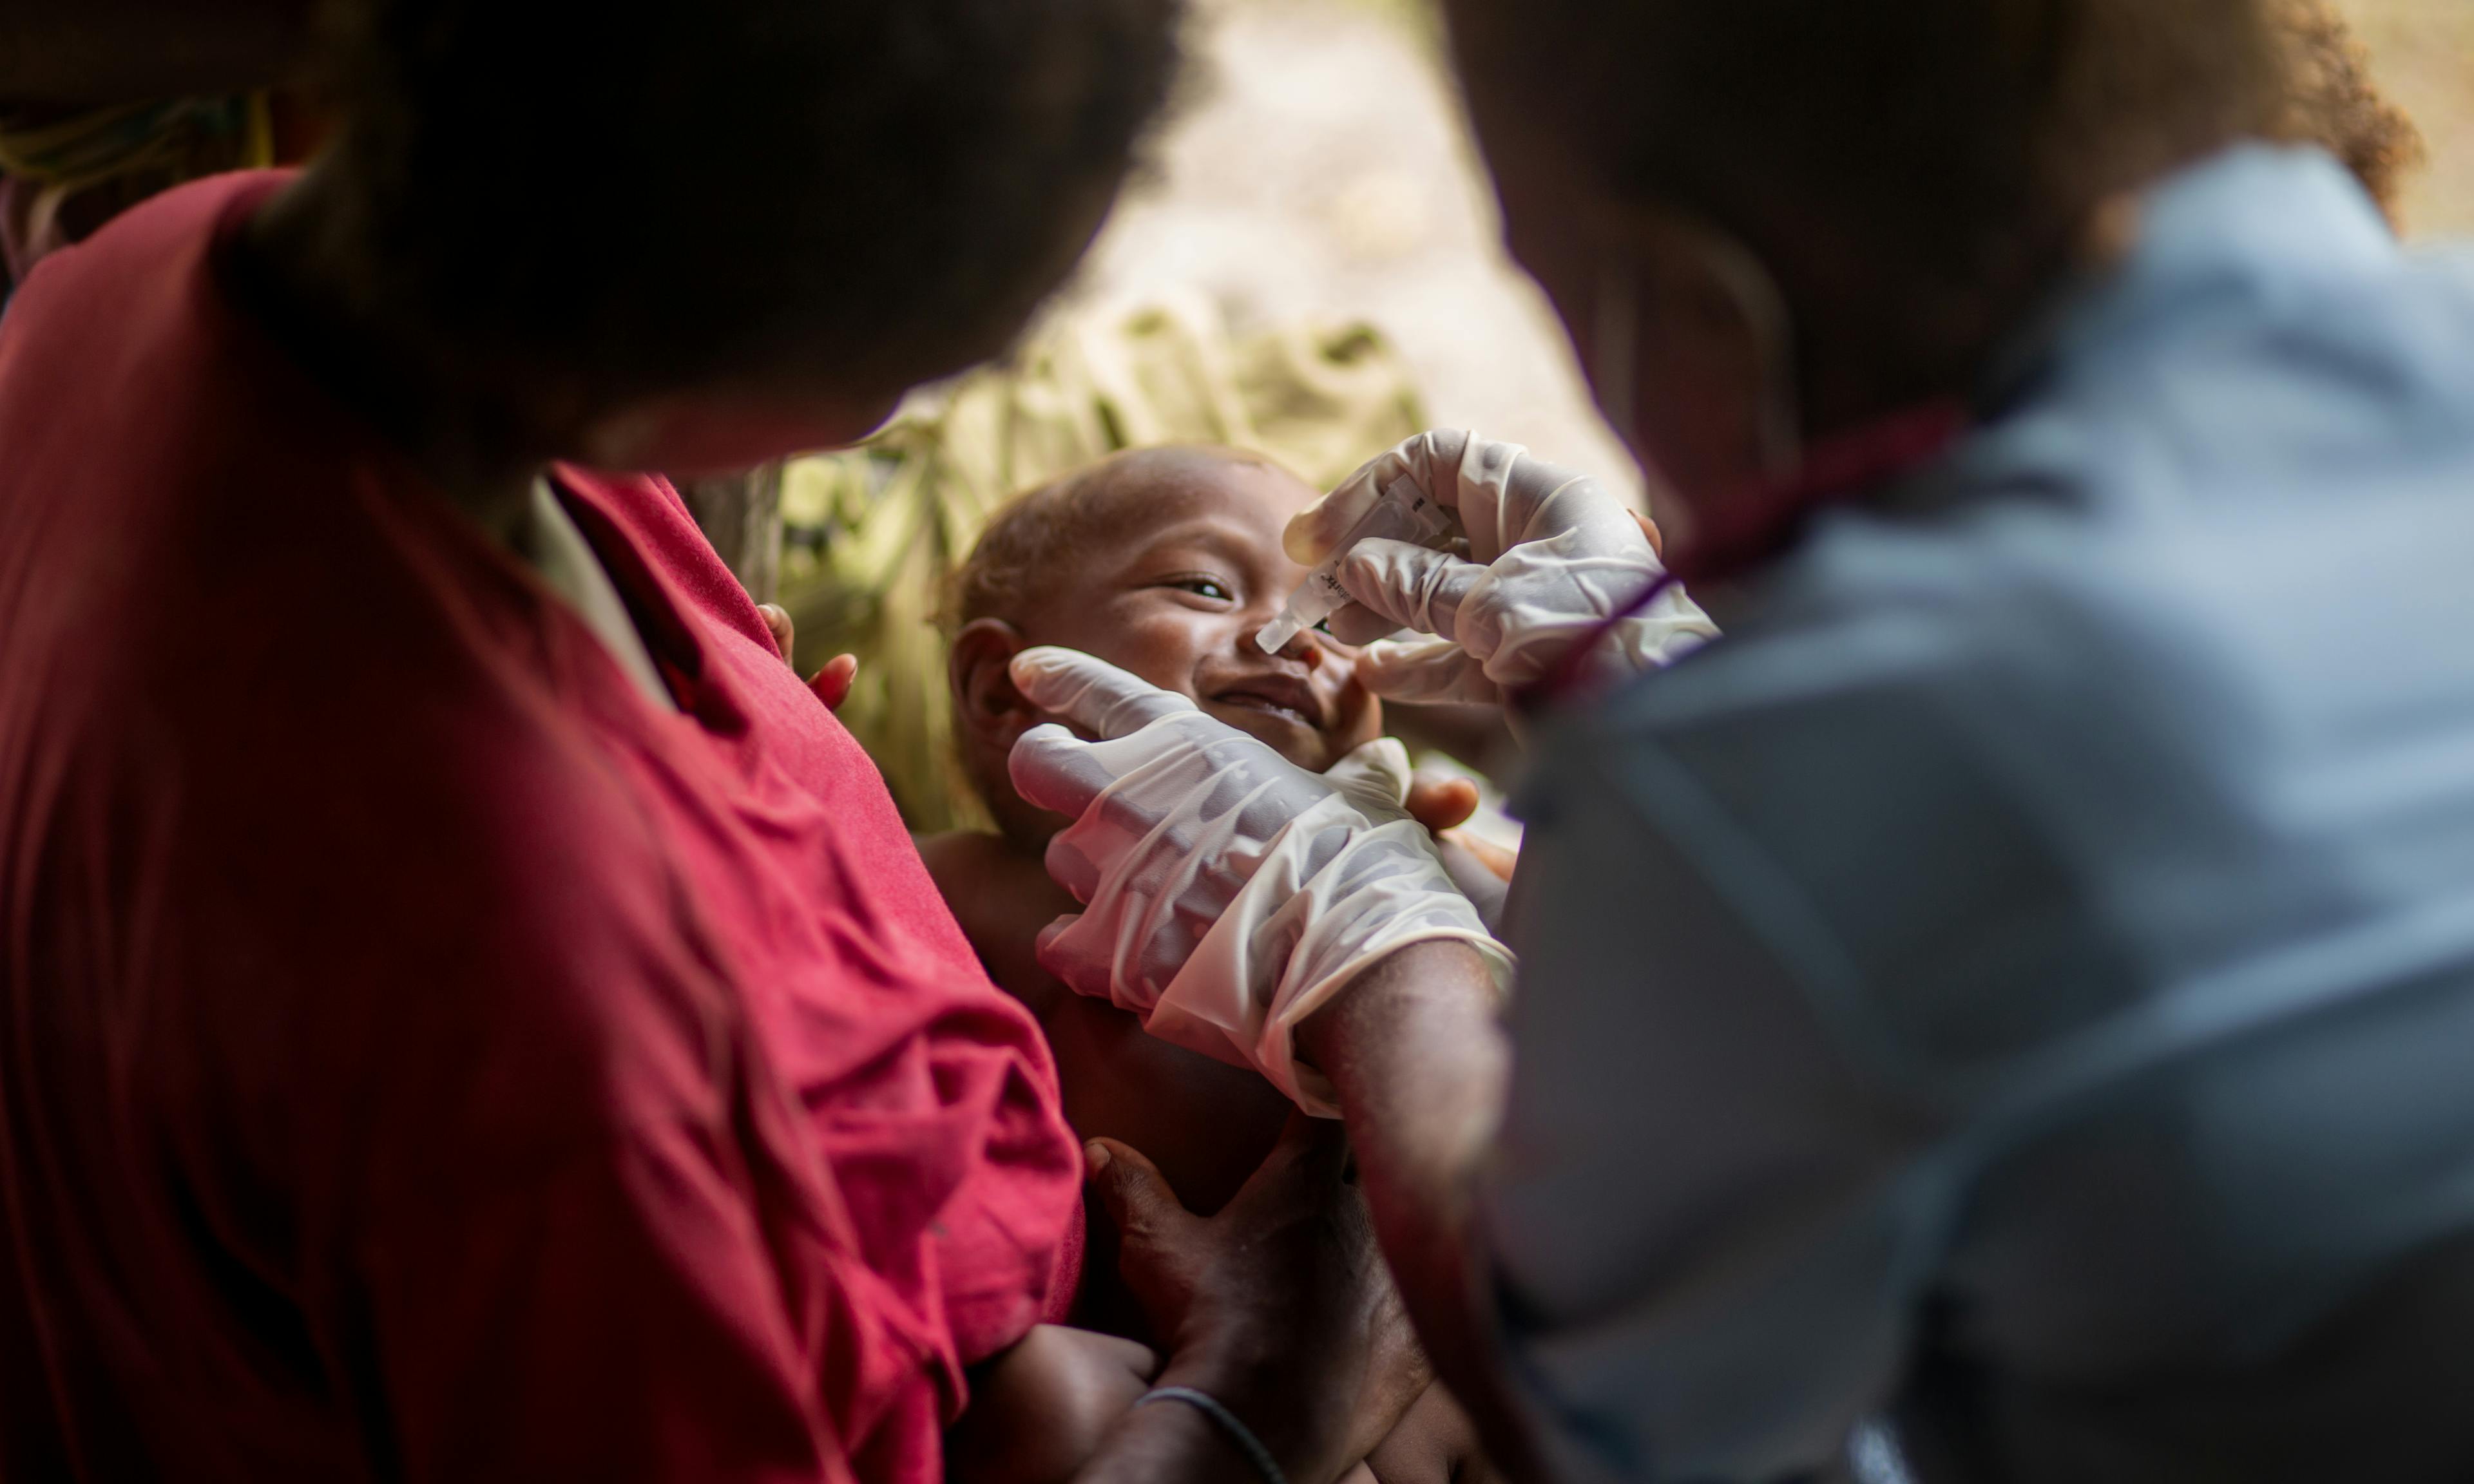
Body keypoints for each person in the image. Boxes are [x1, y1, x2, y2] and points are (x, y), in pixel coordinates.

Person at [999, 1, 2474, 1480]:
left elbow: (1594, 1393)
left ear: (1695, 313)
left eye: (1564, 294)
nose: (1279, 639)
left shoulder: (1794, 762)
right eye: (1201, 586)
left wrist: (1374, 948)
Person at [0, 1, 1410, 1481]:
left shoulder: (172, 279)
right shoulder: (552, 1040)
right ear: (806, 361)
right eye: (960, 345)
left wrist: (753, 728)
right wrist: (1269, 1389)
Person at [924, 444, 1514, 1482]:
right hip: (1168, 1385)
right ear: (1000, 688)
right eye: (1203, 586)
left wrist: (1450, 878)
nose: (1290, 639)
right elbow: (797, 881)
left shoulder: (1394, 863)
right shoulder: (983, 890)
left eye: (1338, 625)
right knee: (1051, 1400)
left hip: (1419, 1363)